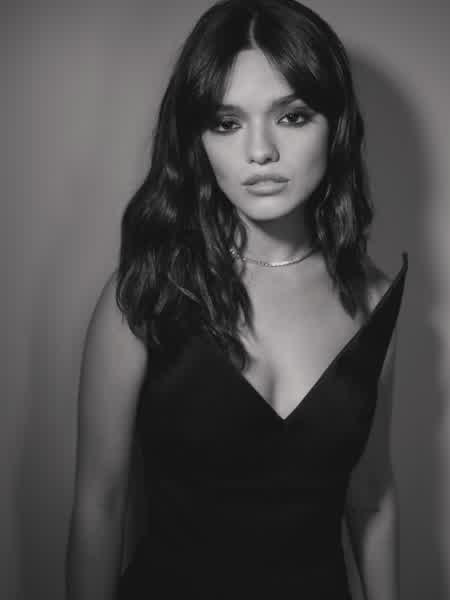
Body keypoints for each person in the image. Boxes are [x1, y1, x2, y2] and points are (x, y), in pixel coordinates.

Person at [65, 0, 408, 598]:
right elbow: (101, 504)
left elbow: (371, 496)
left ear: (335, 126)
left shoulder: (374, 302)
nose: (260, 151)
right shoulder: (143, 293)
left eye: (292, 116)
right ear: (196, 140)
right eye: (226, 123)